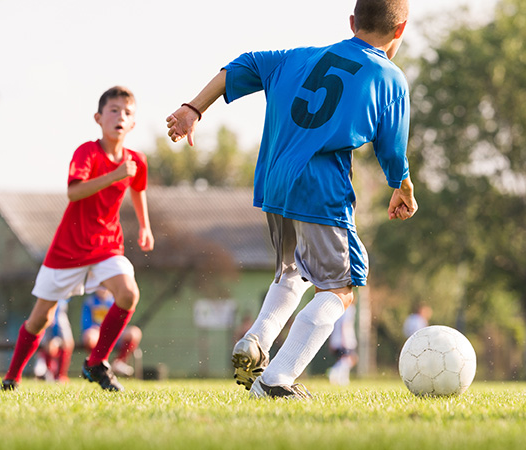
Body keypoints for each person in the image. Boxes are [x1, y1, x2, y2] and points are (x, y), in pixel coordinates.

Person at [167, 0, 417, 399]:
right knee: (341, 287)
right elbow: (392, 151)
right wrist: (402, 188)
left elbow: (244, 65)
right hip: (319, 188)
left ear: (352, 22)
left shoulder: (299, 57)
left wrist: (194, 108)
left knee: (295, 272)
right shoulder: (388, 76)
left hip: (273, 182)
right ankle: (276, 380)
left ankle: (257, 340)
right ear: (400, 29)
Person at [1, 86, 154, 392]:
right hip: (68, 249)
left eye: (127, 112)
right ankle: (12, 378)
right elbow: (74, 191)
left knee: (128, 294)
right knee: (40, 320)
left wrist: (144, 226)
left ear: (133, 123)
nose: (119, 116)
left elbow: (137, 188)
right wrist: (114, 175)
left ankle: (96, 363)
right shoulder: (87, 152)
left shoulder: (136, 160)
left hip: (107, 245)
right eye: (113, 110)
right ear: (98, 118)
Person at [81, 287, 142, 377]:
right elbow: (86, 324)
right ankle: (96, 364)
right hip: (97, 334)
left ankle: (118, 362)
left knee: (134, 332)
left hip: (115, 334)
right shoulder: (90, 302)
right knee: (89, 337)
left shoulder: (117, 300)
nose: (103, 290)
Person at [33, 299, 74, 383]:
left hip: (58, 325)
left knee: (67, 344)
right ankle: (48, 373)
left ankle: (60, 375)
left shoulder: (61, 308)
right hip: (48, 327)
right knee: (48, 346)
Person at [328, 304, 358, 386]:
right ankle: (335, 373)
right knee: (347, 359)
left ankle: (342, 377)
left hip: (337, 338)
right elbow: (344, 324)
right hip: (344, 338)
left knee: (345, 359)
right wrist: (345, 340)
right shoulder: (348, 309)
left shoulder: (339, 309)